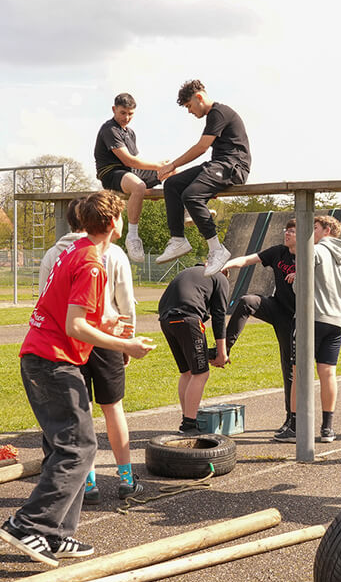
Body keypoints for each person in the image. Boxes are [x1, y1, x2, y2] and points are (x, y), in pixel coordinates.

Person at [0, 192, 155, 566]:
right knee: (79, 448)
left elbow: (61, 309)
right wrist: (124, 345)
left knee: (65, 447)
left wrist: (107, 321)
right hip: (52, 362)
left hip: (45, 358)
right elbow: (74, 325)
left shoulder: (73, 251)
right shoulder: (91, 263)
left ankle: (56, 534)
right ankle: (27, 524)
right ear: (115, 222)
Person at [37, 211, 143, 503]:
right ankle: (125, 478)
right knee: (113, 408)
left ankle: (89, 482)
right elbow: (125, 303)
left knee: (81, 413)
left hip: (70, 338)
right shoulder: (112, 254)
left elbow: (44, 297)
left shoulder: (55, 253)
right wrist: (125, 343)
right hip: (102, 336)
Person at [156, 80, 251, 276]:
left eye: (189, 106)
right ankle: (178, 240)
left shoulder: (219, 112)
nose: (189, 111)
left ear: (199, 97)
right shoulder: (213, 115)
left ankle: (217, 249)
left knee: (191, 196)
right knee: (172, 184)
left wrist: (172, 165)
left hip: (233, 166)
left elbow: (201, 147)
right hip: (217, 164)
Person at [274, 215, 341, 444]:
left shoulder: (314, 251)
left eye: (315, 227)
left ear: (327, 230)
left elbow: (301, 286)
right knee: (328, 373)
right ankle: (327, 428)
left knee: (300, 372)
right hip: (337, 320)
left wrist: (297, 279)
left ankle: (296, 427)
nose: (311, 232)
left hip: (312, 318)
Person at [221, 219, 297, 432]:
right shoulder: (278, 252)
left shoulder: (313, 254)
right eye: (287, 230)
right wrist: (225, 265)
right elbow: (247, 260)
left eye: (292, 231)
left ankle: (292, 418)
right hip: (277, 307)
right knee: (247, 301)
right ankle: (223, 350)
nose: (287, 234)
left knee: (289, 369)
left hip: (296, 318)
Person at [93, 93, 167, 263]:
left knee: (172, 170)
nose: (126, 117)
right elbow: (128, 160)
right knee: (139, 186)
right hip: (112, 173)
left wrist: (164, 169)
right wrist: (157, 166)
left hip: (131, 172)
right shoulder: (109, 129)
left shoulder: (130, 133)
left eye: (130, 114)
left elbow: (137, 161)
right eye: (122, 113)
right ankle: (132, 237)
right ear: (114, 109)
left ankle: (186, 212)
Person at [158, 264, 231, 435]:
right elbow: (219, 316)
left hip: (166, 320)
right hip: (187, 318)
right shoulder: (220, 278)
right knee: (201, 373)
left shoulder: (190, 271)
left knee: (188, 372)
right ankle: (189, 425)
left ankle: (186, 419)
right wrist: (222, 353)